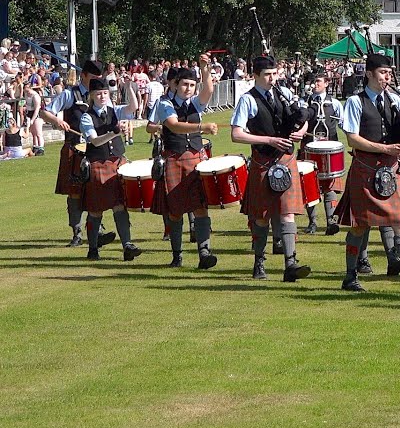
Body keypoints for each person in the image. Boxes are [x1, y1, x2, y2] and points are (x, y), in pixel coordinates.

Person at [332, 54, 400, 293]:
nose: (387, 77)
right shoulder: (355, 102)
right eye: (382, 73)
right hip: (366, 169)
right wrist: (386, 148)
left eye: (389, 73)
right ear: (369, 74)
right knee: (360, 226)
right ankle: (350, 277)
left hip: (391, 171)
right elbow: (353, 139)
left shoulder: (396, 99)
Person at [230, 56, 313, 282]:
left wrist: (301, 130)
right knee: (261, 216)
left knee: (288, 213)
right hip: (263, 161)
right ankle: (259, 262)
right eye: (267, 75)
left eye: (274, 73)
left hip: (286, 160)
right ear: (254, 76)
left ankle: (290, 264)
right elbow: (236, 134)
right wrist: (269, 140)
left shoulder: (283, 93)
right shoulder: (247, 100)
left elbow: (303, 116)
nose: (272, 78)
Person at [150, 57, 219, 268]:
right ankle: (177, 255)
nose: (188, 89)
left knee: (201, 208)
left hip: (196, 159)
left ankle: (204, 253)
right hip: (174, 159)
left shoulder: (196, 103)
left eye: (191, 85)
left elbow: (208, 91)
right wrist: (201, 127)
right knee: (175, 210)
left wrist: (205, 70)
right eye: (185, 85)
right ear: (176, 85)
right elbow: (174, 125)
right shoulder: (165, 104)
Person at [40, 60, 113, 248]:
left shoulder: (102, 96)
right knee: (74, 193)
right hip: (75, 148)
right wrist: (57, 120)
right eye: (94, 79)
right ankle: (77, 232)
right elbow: (45, 113)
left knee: (96, 189)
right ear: (84, 76)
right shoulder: (70, 94)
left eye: (100, 78)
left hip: (96, 149)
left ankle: (97, 230)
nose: (98, 82)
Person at [78, 77, 143, 261]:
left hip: (117, 163)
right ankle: (93, 248)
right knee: (95, 210)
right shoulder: (87, 116)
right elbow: (95, 141)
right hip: (98, 164)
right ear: (91, 95)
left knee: (120, 206)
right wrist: (114, 132)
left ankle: (127, 245)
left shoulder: (114, 111)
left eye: (105, 93)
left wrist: (130, 87)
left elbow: (133, 107)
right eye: (98, 94)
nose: (102, 96)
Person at [300, 73, 345, 236]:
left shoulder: (334, 103)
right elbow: (301, 121)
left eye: (318, 81)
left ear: (326, 83)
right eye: (314, 81)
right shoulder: (304, 102)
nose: (315, 84)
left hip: (329, 150)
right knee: (309, 185)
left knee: (329, 186)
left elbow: (343, 123)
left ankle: (330, 222)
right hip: (308, 148)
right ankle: (312, 222)